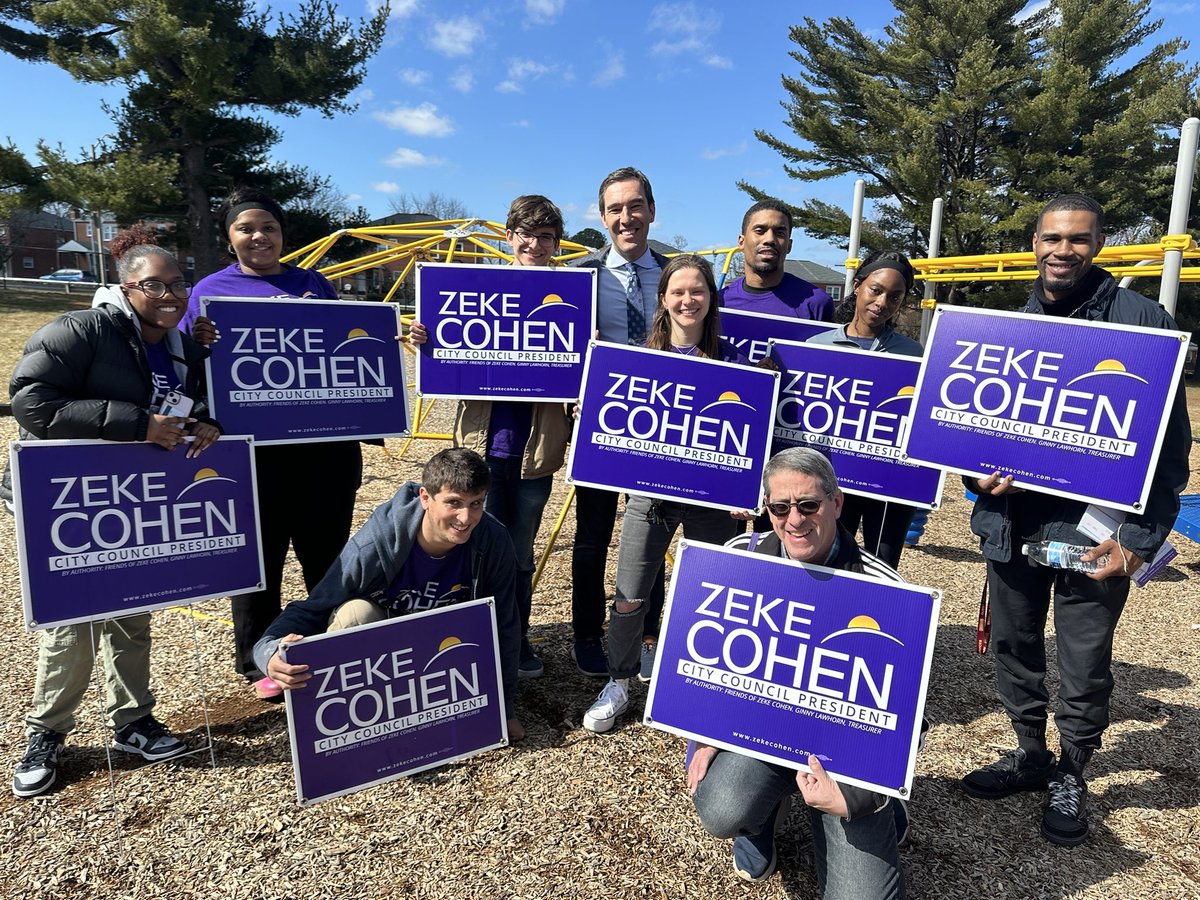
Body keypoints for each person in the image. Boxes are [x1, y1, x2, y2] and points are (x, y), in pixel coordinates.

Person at [960, 194, 1191, 846]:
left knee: (1085, 663)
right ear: (1034, 242)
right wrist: (976, 474)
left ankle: (1073, 769)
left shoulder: (1143, 322)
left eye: (1078, 239)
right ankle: (1032, 753)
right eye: (1052, 238)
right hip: (1013, 525)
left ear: (1098, 243)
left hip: (1095, 532)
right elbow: (972, 431)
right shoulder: (1009, 327)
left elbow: (1170, 450)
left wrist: (1139, 542)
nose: (1063, 250)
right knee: (1014, 646)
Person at [9, 230, 222, 798]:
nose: (170, 294)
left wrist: (205, 423)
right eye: (154, 284)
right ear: (127, 287)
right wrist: (135, 424)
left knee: (133, 607)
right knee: (70, 620)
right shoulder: (81, 330)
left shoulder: (179, 345)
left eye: (178, 284)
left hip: (135, 498)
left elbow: (192, 404)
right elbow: (30, 400)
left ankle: (131, 721)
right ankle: (47, 734)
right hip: (71, 502)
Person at [688, 448, 905, 895]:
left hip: (844, 757)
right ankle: (761, 817)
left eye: (808, 505)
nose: (794, 520)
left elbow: (908, 721)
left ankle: (885, 808)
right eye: (779, 507)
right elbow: (705, 665)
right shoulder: (738, 558)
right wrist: (704, 733)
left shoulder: (886, 588)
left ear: (838, 502)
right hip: (760, 734)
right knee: (722, 808)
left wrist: (864, 796)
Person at [181, 188, 363, 702]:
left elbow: (345, 353)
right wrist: (201, 342)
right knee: (258, 560)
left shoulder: (313, 283)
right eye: (246, 228)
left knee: (325, 554)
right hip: (253, 452)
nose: (259, 236)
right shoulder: (209, 290)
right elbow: (187, 361)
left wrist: (395, 342)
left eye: (269, 227)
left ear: (283, 234)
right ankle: (257, 656)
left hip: (323, 451)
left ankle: (325, 645)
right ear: (229, 237)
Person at [406, 195, 573, 680]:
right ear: (509, 236)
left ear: (556, 243)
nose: (535, 244)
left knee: (518, 554)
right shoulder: (476, 290)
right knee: (472, 547)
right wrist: (424, 342)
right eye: (526, 234)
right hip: (481, 448)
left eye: (546, 237)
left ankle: (515, 641)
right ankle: (473, 641)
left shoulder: (570, 295)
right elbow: (448, 358)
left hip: (534, 454)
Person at [582, 255, 749, 732]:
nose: (687, 299)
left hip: (712, 502)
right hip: (648, 500)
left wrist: (745, 487)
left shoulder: (735, 363)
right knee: (631, 595)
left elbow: (749, 439)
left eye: (698, 290)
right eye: (678, 291)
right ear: (663, 299)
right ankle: (619, 679)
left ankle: (697, 687)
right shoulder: (637, 358)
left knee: (710, 599)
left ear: (710, 299)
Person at [253, 448, 526, 741]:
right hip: (388, 650)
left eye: (476, 504)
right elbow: (315, 605)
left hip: (444, 649)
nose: (466, 516)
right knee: (355, 613)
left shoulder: (493, 539)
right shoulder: (374, 544)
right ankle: (345, 720)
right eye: (453, 503)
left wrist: (505, 708)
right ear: (425, 498)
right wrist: (267, 652)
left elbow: (504, 624)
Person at [567, 167, 668, 677]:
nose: (625, 218)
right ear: (603, 216)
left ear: (652, 209)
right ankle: (587, 633)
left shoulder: (678, 274)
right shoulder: (581, 276)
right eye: (615, 209)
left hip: (665, 428)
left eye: (634, 206)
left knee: (655, 534)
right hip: (603, 428)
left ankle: (650, 633)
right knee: (592, 538)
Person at [807, 250, 923, 569]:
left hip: (889, 485)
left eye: (895, 296)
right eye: (876, 290)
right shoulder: (818, 347)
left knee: (881, 567)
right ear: (857, 286)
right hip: (833, 479)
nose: (883, 302)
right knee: (829, 561)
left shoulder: (914, 354)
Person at [719, 199, 834, 321]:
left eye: (779, 233)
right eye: (760, 231)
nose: (769, 239)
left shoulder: (817, 304)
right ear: (741, 242)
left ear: (789, 245)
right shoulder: (719, 303)